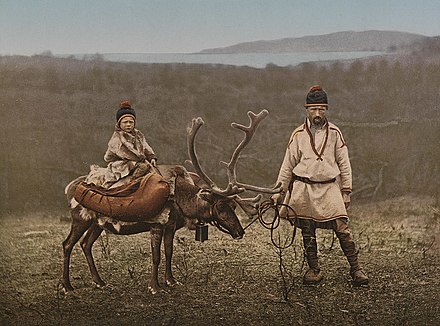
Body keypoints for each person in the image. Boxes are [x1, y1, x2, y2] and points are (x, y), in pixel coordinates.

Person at [271, 85, 369, 286]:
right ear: (307, 110)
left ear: (326, 110)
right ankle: (313, 269)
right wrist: (278, 192)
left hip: (329, 187)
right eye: (313, 109)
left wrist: (346, 191)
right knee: (307, 230)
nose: (317, 114)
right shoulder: (298, 134)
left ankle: (356, 268)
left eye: (321, 109)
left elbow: (344, 163)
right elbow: (287, 165)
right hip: (303, 189)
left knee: (342, 228)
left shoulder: (335, 133)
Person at [85, 100, 158, 189]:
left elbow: (145, 146)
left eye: (131, 122)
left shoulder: (138, 135)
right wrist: (141, 158)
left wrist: (151, 157)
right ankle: (131, 184)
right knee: (143, 167)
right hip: (122, 163)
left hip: (137, 161)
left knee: (154, 172)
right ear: (119, 124)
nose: (128, 125)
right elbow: (123, 154)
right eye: (125, 122)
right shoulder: (116, 139)